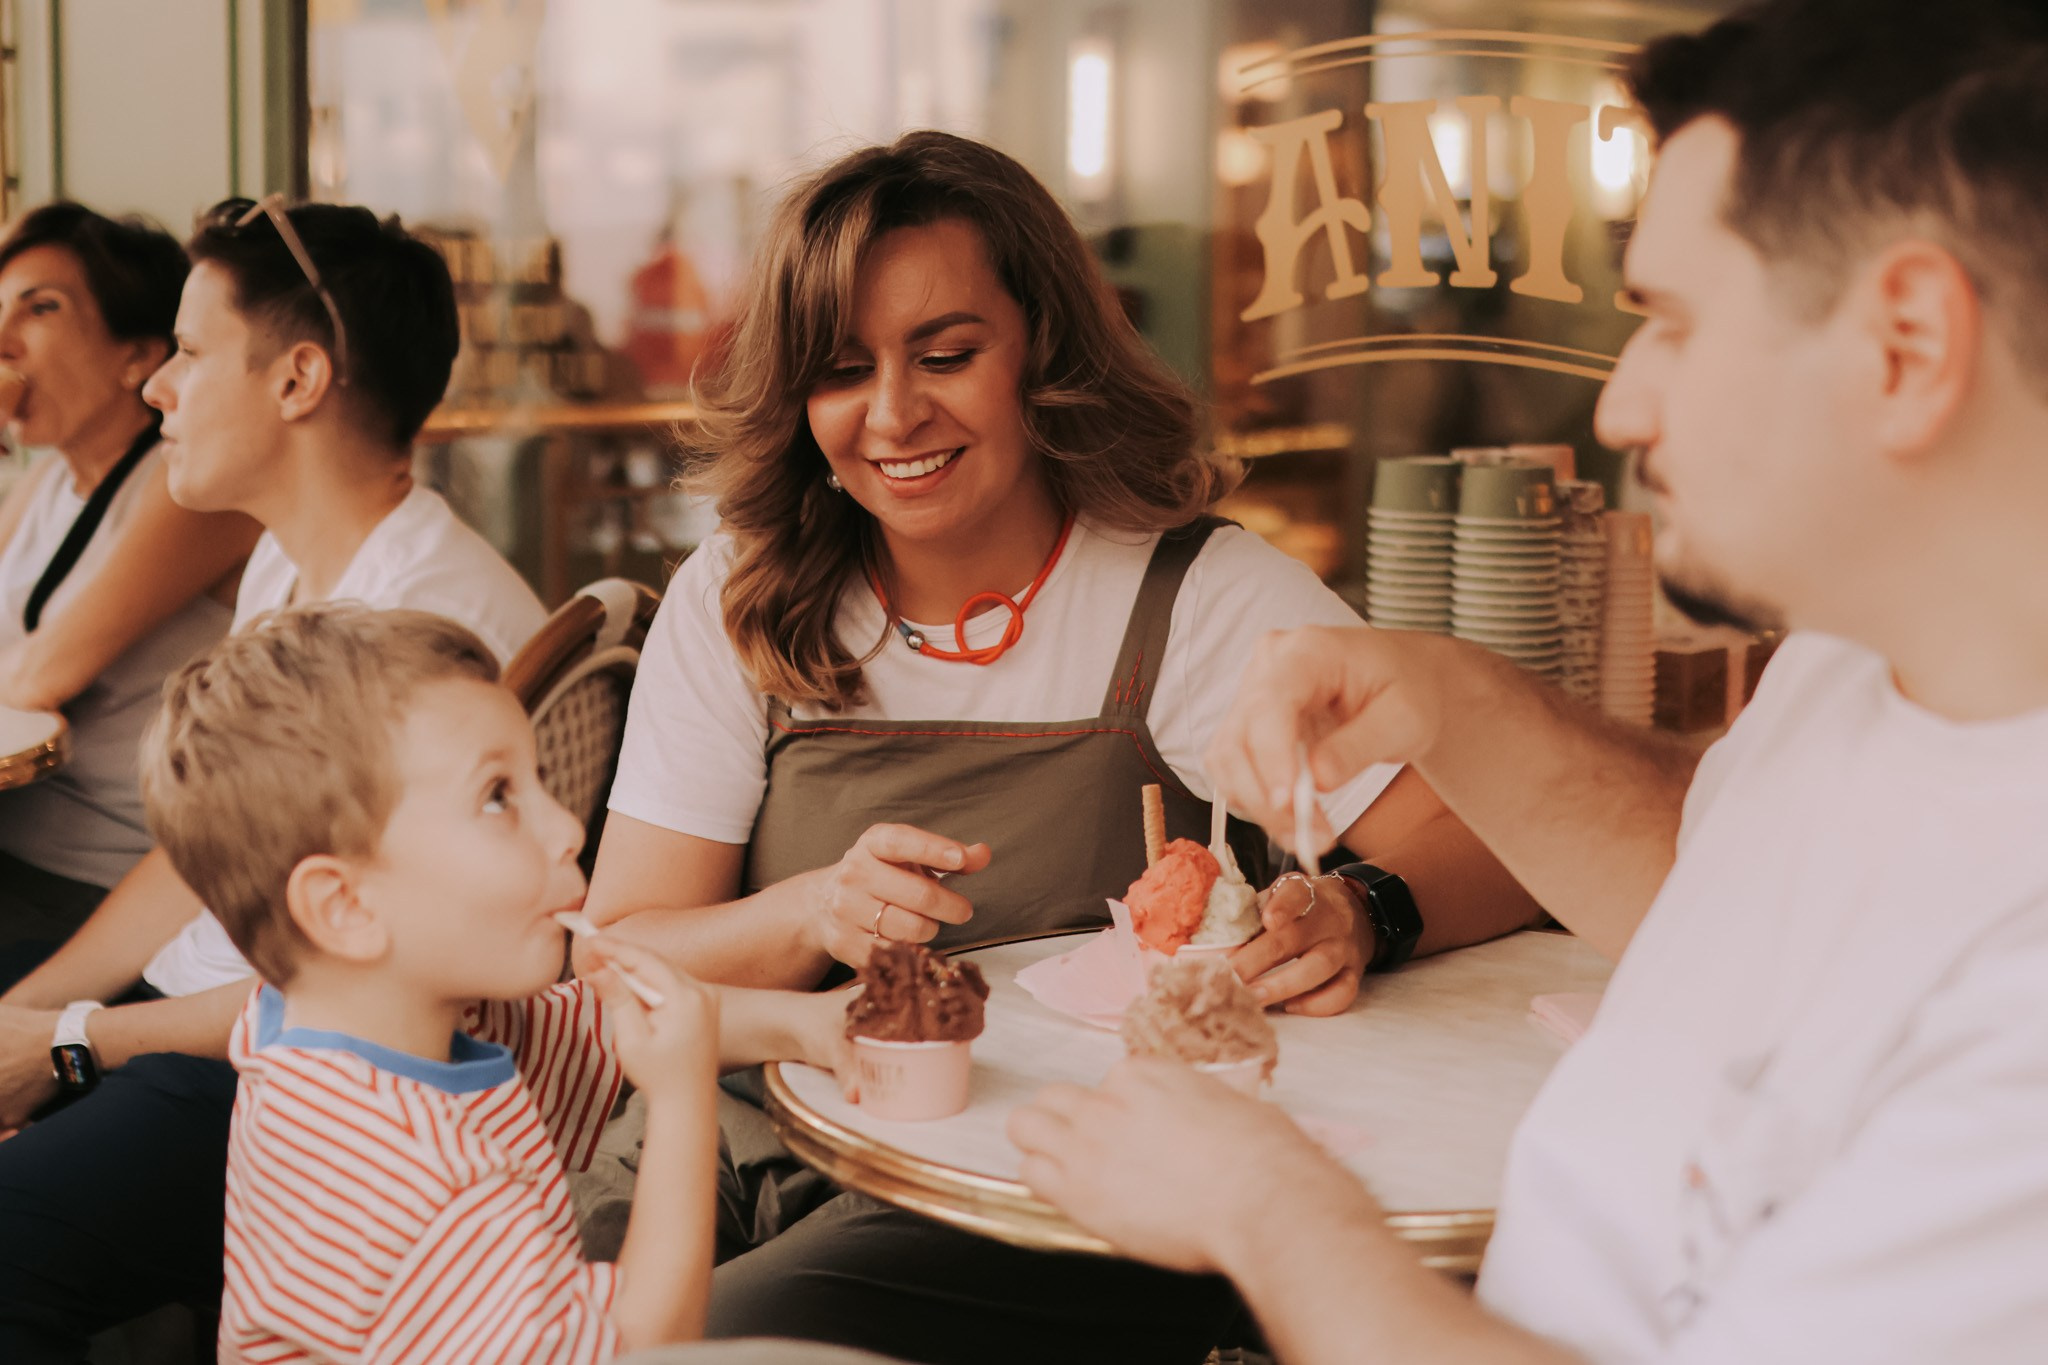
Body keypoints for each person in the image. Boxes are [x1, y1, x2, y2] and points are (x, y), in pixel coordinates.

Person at [1008, 2, 2048, 1362]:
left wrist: (1267, 1207)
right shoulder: (1857, 660)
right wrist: (1443, 695)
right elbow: (1706, 893)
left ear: (1905, 345)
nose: (1620, 405)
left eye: (1672, 323)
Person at [584, 130, 1542, 1365]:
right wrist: (811, 911)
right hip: (708, 1138)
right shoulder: (742, 594)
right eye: (841, 370)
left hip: (1015, 1189)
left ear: (1042, 348)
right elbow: (618, 963)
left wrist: (1362, 912)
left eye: (946, 355)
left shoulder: (1191, 594)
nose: (893, 414)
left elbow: (1495, 844)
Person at [0, 198, 546, 1361]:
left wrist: (64, 1043)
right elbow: (195, 855)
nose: (159, 388)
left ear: (298, 379)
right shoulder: (293, 569)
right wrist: (27, 1016)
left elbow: (351, 1002)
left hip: (304, 1078)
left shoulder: (419, 633)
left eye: (191, 353)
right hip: (195, 1012)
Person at [143, 604, 857, 1362]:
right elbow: (638, 1343)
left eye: (535, 781)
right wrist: (681, 1099)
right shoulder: (415, 1177)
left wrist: (804, 1024)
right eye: (497, 797)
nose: (568, 829)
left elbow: (605, 1028)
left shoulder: (337, 1019)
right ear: (345, 907)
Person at [0, 203, 259, 943]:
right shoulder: (48, 482)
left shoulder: (192, 492)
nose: (3, 339)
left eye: (40, 308)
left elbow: (40, 674)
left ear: (139, 357)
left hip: (97, 882)